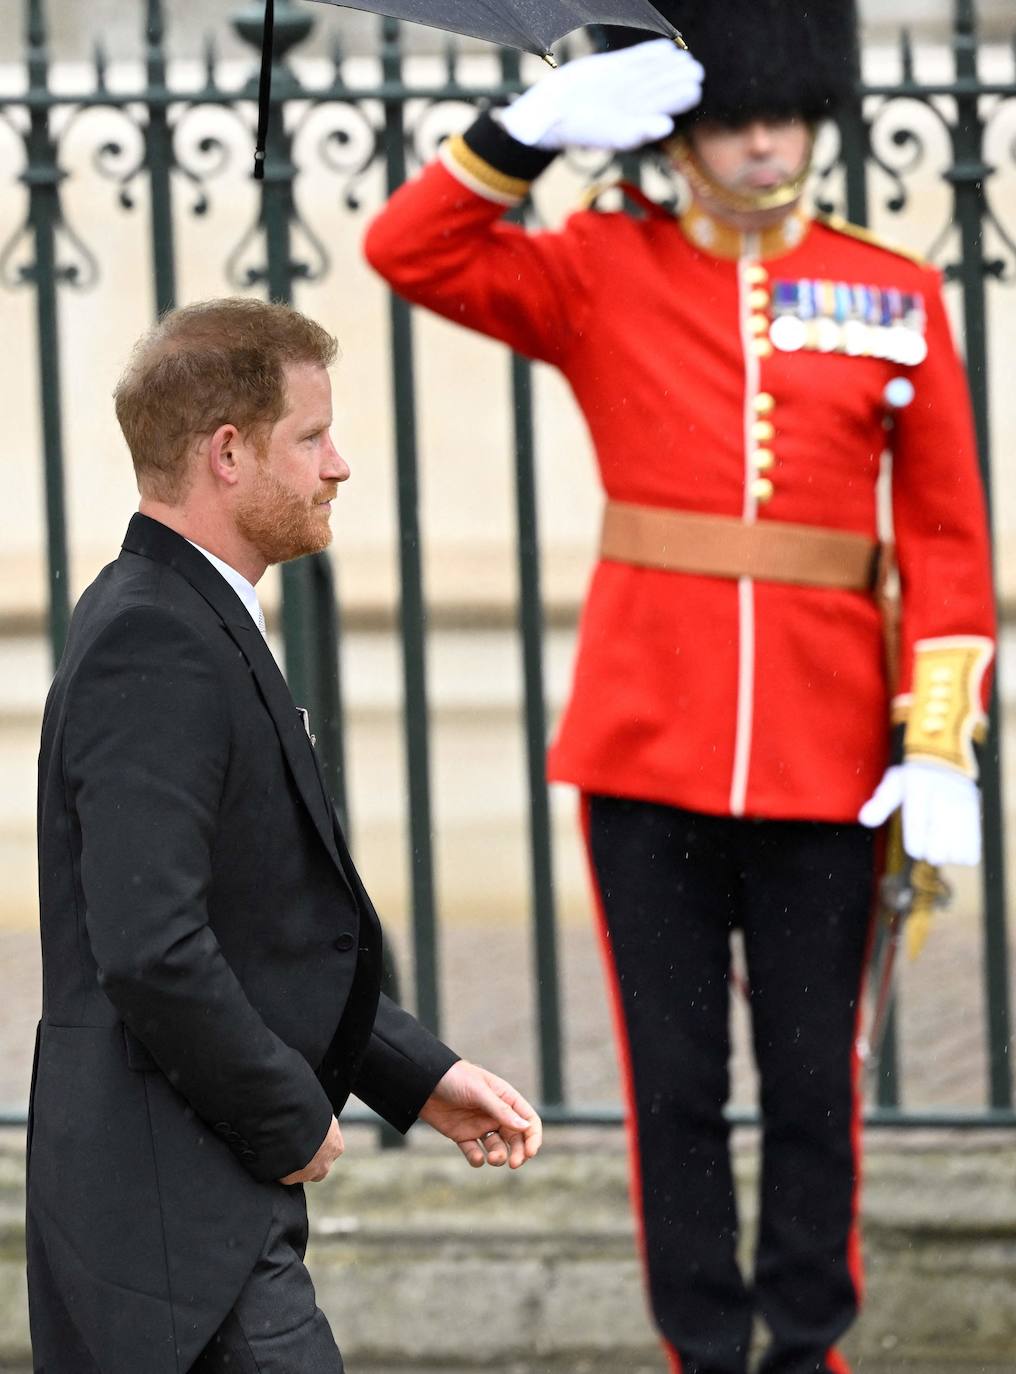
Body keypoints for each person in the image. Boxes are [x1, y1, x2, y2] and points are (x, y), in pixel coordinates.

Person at [363, 2, 996, 1371]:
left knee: (817, 1083)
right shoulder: (600, 267)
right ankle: (701, 1346)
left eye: (784, 115)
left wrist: (938, 739)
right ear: (682, 131)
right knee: (679, 1084)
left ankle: (805, 1339)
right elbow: (406, 249)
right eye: (735, 117)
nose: (767, 142)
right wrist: (517, 137)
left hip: (835, 753)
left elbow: (947, 535)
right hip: (649, 746)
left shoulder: (893, 292)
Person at [28, 297, 542, 1374]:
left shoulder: (184, 614)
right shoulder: (153, 640)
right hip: (165, 1236)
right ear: (227, 453)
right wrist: (288, 1116)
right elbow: (152, 946)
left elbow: (256, 923)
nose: (339, 465)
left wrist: (414, 1072)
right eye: (311, 437)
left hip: (199, 1212)